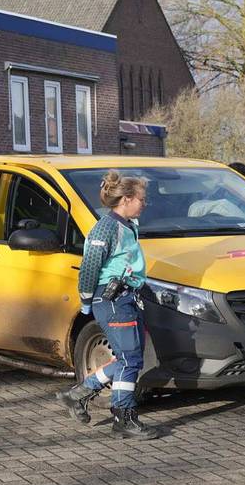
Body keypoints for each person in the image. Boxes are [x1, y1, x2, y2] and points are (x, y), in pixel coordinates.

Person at [56, 170, 164, 440]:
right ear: (126, 199)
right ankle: (123, 417)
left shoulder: (128, 225)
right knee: (130, 359)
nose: (145, 203)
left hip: (126, 298)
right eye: (142, 198)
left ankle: (78, 395)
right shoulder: (106, 227)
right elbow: (90, 266)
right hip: (114, 299)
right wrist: (86, 300)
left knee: (131, 358)